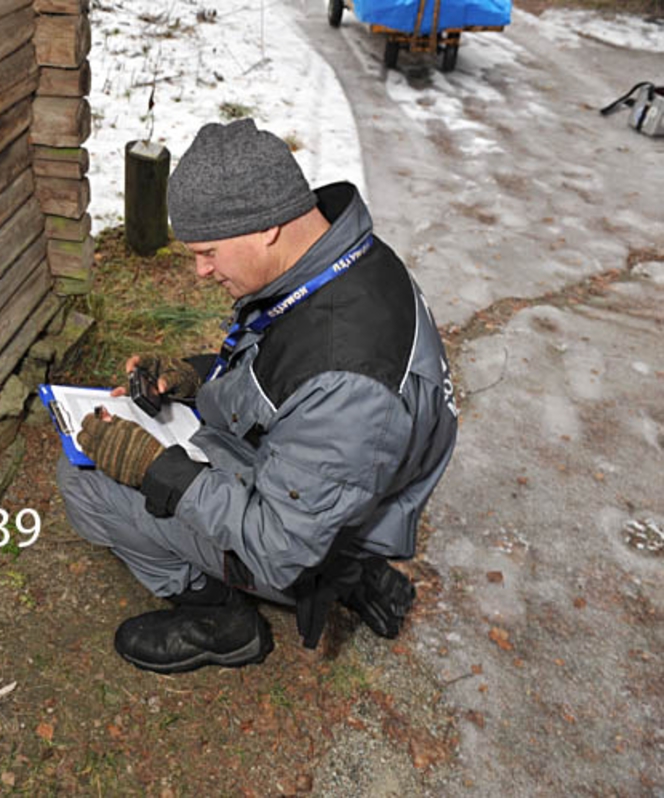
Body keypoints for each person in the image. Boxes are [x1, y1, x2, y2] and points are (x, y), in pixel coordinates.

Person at [56, 118, 458, 674]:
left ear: (266, 227)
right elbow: (288, 376)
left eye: (209, 251)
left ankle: (223, 620)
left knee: (82, 481)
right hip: (340, 498)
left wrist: (158, 472)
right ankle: (354, 571)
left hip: (304, 546)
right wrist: (195, 378)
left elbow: (278, 544)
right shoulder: (344, 261)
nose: (200, 271)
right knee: (165, 429)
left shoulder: (347, 379)